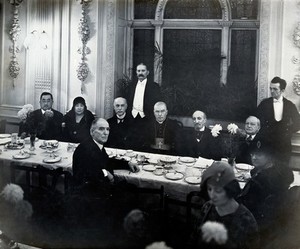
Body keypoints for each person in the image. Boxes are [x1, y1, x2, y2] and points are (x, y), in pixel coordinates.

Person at [188, 161, 259, 249]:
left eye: (218, 190)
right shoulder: (207, 207)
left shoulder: (246, 220)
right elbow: (196, 239)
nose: (212, 195)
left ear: (230, 189)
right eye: (209, 189)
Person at [237, 140, 294, 233]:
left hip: (255, 224)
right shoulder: (280, 170)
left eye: (259, 155)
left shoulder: (258, 182)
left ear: (270, 156)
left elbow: (244, 205)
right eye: (252, 154)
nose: (254, 158)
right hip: (275, 222)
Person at [256, 76, 300, 160]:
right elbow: (256, 119)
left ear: (282, 90)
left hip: (283, 145)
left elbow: (298, 123)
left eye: (275, 89)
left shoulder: (289, 105)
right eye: (270, 88)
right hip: (266, 144)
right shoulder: (264, 103)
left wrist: (288, 130)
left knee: (281, 169)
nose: (272, 91)